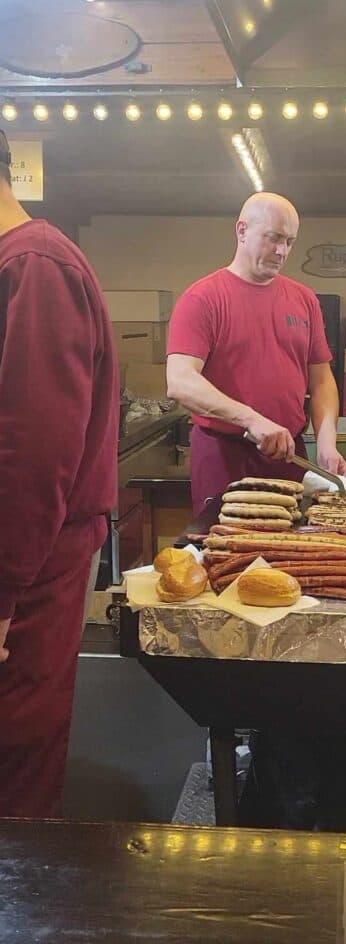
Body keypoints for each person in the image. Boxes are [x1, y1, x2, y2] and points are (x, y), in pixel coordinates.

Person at [0, 129, 119, 817]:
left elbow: (29, 451)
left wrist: (2, 594)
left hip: (28, 566)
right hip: (21, 561)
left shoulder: (36, 266)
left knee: (15, 758)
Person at [167, 191, 346, 513]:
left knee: (292, 552)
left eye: (289, 242)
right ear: (242, 231)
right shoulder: (203, 298)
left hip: (290, 453)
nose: (282, 251)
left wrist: (326, 441)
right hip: (226, 455)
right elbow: (180, 381)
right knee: (225, 553)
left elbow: (321, 380)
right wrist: (251, 419)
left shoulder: (305, 300)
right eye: (273, 238)